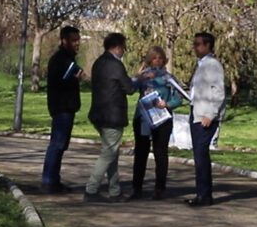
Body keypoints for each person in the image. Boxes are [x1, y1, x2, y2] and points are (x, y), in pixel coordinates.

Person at [84, 32, 139, 202]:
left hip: (99, 114)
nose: (124, 51)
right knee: (108, 153)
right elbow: (129, 88)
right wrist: (139, 78)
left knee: (112, 153)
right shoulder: (116, 65)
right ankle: (91, 189)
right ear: (117, 47)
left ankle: (115, 190)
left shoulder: (99, 63)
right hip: (112, 116)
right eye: (123, 48)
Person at [130, 46, 184, 201]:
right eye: (154, 58)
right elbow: (130, 88)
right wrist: (138, 76)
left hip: (162, 119)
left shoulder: (168, 78)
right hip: (143, 119)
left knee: (160, 154)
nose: (157, 61)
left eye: (160, 58)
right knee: (140, 153)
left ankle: (160, 188)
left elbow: (178, 98)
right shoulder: (144, 76)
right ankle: (137, 188)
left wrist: (167, 104)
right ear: (149, 60)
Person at [41, 26, 85, 194]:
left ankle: (53, 180)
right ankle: (49, 181)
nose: (77, 43)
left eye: (78, 40)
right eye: (74, 40)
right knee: (57, 144)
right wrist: (74, 80)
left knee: (61, 145)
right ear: (64, 40)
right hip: (62, 107)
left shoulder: (66, 59)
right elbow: (58, 83)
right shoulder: (61, 59)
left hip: (66, 106)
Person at [187, 32, 225, 207]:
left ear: (208, 45)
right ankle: (202, 193)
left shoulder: (212, 65)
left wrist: (211, 114)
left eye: (198, 44)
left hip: (205, 116)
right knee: (198, 155)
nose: (195, 47)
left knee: (201, 155)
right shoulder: (201, 65)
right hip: (196, 112)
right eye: (194, 44)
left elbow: (218, 92)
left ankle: (204, 195)